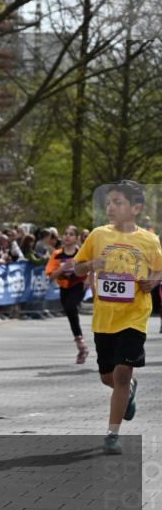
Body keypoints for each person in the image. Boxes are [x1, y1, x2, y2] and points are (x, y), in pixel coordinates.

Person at [73, 180, 162, 455]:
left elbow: (158, 269)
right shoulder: (98, 235)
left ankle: (112, 433)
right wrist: (90, 265)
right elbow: (76, 269)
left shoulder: (149, 240)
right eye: (108, 202)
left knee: (122, 374)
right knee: (107, 377)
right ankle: (130, 391)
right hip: (104, 319)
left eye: (118, 202)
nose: (110, 207)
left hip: (134, 316)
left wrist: (153, 281)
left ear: (135, 208)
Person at [45, 225, 89, 364]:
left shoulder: (82, 253)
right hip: (64, 287)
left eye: (71, 234)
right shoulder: (57, 254)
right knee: (70, 313)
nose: (67, 236)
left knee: (70, 306)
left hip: (78, 286)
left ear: (76, 238)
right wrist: (63, 267)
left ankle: (81, 344)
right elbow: (51, 276)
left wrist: (88, 278)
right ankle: (81, 345)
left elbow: (90, 267)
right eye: (65, 234)